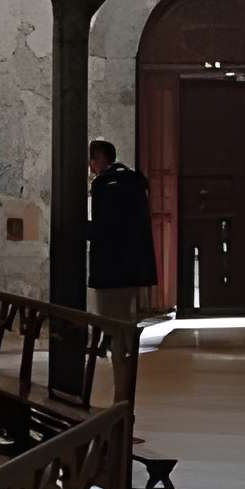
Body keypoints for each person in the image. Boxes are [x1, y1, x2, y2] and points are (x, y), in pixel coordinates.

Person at [86, 138, 157, 384]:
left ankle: (121, 384)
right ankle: (127, 373)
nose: (91, 167)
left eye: (92, 161)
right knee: (127, 319)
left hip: (110, 267)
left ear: (99, 160)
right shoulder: (135, 182)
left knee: (112, 322)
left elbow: (106, 227)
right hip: (134, 267)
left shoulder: (105, 185)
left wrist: (82, 230)